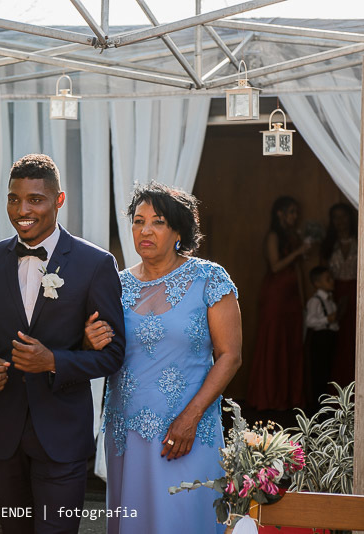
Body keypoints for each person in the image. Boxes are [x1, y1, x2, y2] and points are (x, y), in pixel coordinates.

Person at [0, 154, 125, 534]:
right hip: (4, 434)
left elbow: (113, 355)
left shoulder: (95, 264)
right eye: (14, 199)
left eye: (35, 199)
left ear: (59, 200)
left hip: (62, 435)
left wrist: (53, 361)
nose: (22, 210)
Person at [89, 182, 241, 534]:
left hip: (188, 431)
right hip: (127, 433)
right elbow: (101, 349)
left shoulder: (209, 279)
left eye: (157, 222)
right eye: (138, 221)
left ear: (179, 231)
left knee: (183, 519)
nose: (145, 230)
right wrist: (90, 339)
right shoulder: (115, 284)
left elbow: (230, 356)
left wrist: (191, 416)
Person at [246, 196, 310, 410]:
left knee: (292, 344)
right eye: (291, 212)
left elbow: (298, 269)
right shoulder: (273, 236)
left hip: (292, 296)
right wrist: (298, 252)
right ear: (280, 213)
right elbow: (275, 266)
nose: (295, 216)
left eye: (296, 212)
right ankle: (268, 397)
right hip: (276, 295)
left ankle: (288, 397)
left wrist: (303, 298)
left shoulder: (293, 235)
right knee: (273, 343)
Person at [320, 202, 357, 387]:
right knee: (337, 341)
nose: (340, 221)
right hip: (334, 294)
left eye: (343, 216)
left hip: (357, 293)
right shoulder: (328, 245)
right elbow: (322, 274)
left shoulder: (361, 240)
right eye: (336, 217)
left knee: (355, 339)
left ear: (350, 218)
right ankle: (336, 389)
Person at [304, 266, 339, 411]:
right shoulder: (315, 301)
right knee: (319, 373)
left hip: (330, 337)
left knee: (327, 373)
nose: (332, 281)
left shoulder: (330, 300)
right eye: (327, 279)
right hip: (320, 339)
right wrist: (327, 319)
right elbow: (309, 321)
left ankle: (326, 406)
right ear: (317, 283)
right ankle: (317, 408)